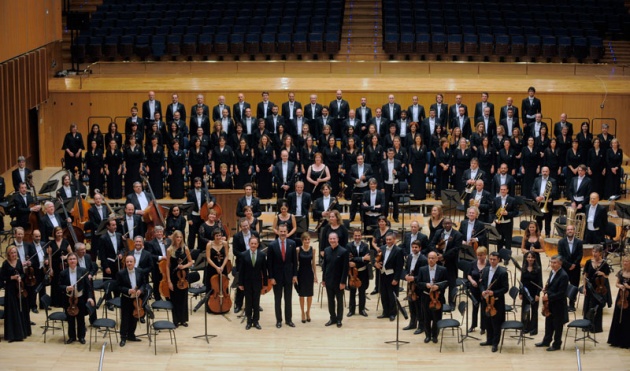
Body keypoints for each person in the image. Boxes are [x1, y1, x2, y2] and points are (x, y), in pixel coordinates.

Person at [59, 252, 95, 344]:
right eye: (70, 259)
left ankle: (81, 337)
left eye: (74, 259)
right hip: (69, 299)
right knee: (70, 319)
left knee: (80, 319)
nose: (72, 261)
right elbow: (59, 286)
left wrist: (90, 297)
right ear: (67, 261)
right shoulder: (63, 273)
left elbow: (88, 286)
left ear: (77, 260)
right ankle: (72, 337)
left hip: (80, 298)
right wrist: (66, 288)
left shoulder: (83, 271)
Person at [266, 224, 297, 328]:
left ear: (287, 232)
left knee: (288, 299)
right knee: (277, 299)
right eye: (281, 231)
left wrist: (295, 275)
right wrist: (271, 277)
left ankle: (289, 320)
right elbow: (269, 263)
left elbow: (295, 262)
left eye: (284, 231)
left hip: (288, 276)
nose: (283, 233)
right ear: (278, 232)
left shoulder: (292, 243)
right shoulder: (272, 245)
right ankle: (279, 320)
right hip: (277, 277)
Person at [536, 255, 569, 351]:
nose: (552, 265)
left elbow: (561, 293)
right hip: (550, 303)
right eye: (551, 262)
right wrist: (546, 289)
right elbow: (550, 284)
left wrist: (548, 296)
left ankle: (557, 344)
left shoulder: (563, 275)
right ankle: (546, 341)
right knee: (548, 322)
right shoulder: (552, 272)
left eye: (555, 263)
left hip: (558, 304)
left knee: (557, 325)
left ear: (560, 263)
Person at [479, 251, 509, 352]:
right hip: (486, 301)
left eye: (494, 259)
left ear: (499, 260)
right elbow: (482, 283)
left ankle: (495, 343)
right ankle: (489, 340)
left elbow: (505, 288)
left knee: (496, 324)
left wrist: (493, 292)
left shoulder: (502, 272)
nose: (492, 261)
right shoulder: (486, 269)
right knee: (487, 321)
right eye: (490, 259)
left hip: (496, 302)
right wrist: (483, 291)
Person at [429, 217, 463, 306]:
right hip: (439, 263)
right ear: (443, 224)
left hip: (451, 262)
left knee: (452, 284)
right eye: (445, 223)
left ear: (452, 224)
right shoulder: (438, 232)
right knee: (440, 282)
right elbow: (432, 244)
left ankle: (452, 303)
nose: (447, 225)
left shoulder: (457, 235)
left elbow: (456, 249)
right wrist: (437, 255)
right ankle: (441, 301)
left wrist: (444, 256)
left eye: (449, 223)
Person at [417, 251, 448, 343]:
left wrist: (438, 286)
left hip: (438, 298)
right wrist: (426, 285)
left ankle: (435, 335)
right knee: (426, 317)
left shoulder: (443, 269)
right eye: (429, 258)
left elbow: (446, 282)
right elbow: (418, 283)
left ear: (437, 259)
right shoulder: (422, 269)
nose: (431, 260)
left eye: (433, 258)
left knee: (436, 317)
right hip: (426, 297)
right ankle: (427, 335)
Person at [1, 245, 31, 342]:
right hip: (10, 290)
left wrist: (20, 277)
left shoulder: (19, 262)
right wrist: (12, 278)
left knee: (21, 309)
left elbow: (22, 273)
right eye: (12, 253)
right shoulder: (5, 264)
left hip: (20, 288)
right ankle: (13, 334)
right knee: (12, 311)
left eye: (15, 253)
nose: (14, 254)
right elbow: (2, 278)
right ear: (8, 254)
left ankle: (23, 332)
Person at [238, 235, 267, 330]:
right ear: (249, 244)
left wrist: (265, 284)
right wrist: (240, 283)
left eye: (255, 243)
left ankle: (256, 321)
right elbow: (241, 270)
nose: (253, 245)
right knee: (248, 302)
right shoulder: (244, 255)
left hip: (258, 282)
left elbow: (264, 271)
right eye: (252, 243)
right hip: (247, 282)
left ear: (258, 244)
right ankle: (249, 322)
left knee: (256, 302)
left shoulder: (262, 255)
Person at [116, 255, 146, 347]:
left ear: (134, 262)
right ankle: (123, 337)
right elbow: (118, 287)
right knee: (125, 318)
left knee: (134, 318)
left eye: (131, 261)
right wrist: (128, 290)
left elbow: (144, 284)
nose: (129, 263)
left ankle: (131, 335)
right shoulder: (121, 273)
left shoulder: (140, 271)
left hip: (136, 299)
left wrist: (140, 290)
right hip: (126, 298)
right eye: (127, 262)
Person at [232, 218, 260, 313]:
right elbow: (235, 251)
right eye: (243, 226)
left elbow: (259, 247)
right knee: (241, 284)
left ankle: (255, 304)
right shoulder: (236, 236)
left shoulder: (255, 234)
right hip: (242, 263)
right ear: (240, 227)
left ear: (249, 225)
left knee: (255, 284)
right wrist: (245, 256)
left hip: (254, 262)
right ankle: (238, 304)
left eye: (246, 225)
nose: (245, 227)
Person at [165, 230, 192, 327]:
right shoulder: (169, 250)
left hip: (183, 276)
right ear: (174, 238)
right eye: (177, 237)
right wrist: (169, 281)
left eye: (180, 237)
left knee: (183, 298)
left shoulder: (185, 248)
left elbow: (190, 262)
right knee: (175, 299)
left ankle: (183, 319)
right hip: (173, 277)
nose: (179, 239)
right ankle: (175, 320)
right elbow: (167, 266)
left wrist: (183, 267)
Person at [322, 232, 349, 328]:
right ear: (328, 240)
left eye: (334, 239)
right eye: (330, 239)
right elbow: (324, 266)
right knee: (330, 301)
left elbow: (345, 269)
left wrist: (343, 282)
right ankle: (332, 318)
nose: (332, 240)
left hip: (339, 282)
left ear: (337, 239)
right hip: (329, 281)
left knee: (339, 301)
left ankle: (339, 319)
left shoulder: (344, 251)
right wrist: (323, 279)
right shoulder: (326, 250)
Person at [375, 232, 404, 321]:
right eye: (387, 240)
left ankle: (392, 313)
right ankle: (385, 312)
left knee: (391, 295)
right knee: (383, 294)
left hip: (392, 276)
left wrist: (396, 279)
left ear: (394, 240)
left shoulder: (398, 250)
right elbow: (376, 260)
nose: (388, 241)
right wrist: (375, 264)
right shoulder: (382, 248)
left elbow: (399, 267)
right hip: (383, 275)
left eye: (390, 239)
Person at [582, 245, 611, 333]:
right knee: (587, 306)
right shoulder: (588, 262)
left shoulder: (604, 264)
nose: (594, 254)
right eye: (593, 252)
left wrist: (602, 274)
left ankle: (596, 327)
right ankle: (586, 325)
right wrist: (584, 287)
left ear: (600, 253)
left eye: (596, 252)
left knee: (597, 307)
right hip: (589, 287)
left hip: (599, 288)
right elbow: (585, 275)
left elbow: (607, 276)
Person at [403, 240, 428, 334]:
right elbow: (406, 269)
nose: (414, 249)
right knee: (411, 305)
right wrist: (406, 276)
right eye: (413, 247)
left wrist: (414, 278)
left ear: (420, 248)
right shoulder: (409, 257)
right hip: (410, 285)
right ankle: (412, 323)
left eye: (416, 247)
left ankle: (421, 326)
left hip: (418, 286)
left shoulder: (424, 259)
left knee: (419, 307)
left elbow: (424, 276)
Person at [12, 227, 39, 312]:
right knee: (21, 292)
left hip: (28, 272)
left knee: (31, 289)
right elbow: (10, 261)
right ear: (15, 235)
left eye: (22, 234)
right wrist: (20, 263)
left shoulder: (28, 245)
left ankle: (33, 306)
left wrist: (30, 262)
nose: (20, 236)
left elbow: (34, 258)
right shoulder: (11, 247)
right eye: (18, 234)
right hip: (19, 273)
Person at [558, 224, 583, 309]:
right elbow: (560, 255)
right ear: (566, 231)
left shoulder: (579, 242)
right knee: (564, 285)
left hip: (575, 268)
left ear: (574, 231)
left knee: (574, 285)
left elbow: (580, 255)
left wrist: (574, 264)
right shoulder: (561, 242)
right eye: (568, 229)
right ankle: (564, 304)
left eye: (571, 229)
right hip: (565, 267)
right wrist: (568, 265)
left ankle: (572, 304)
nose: (570, 231)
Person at [346, 229, 370, 318]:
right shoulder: (348, 246)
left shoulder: (366, 246)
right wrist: (362, 258)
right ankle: (351, 310)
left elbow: (367, 260)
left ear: (361, 236)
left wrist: (357, 261)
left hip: (363, 272)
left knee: (362, 291)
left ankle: (362, 309)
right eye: (355, 236)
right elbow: (349, 259)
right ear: (353, 236)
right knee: (352, 291)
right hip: (352, 273)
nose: (357, 237)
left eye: (359, 235)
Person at [187, 177, 216, 249]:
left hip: (203, 216)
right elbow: (188, 206)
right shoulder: (190, 193)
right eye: (197, 183)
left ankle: (200, 249)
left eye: (199, 183)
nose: (198, 185)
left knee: (201, 233)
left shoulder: (204, 191)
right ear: (194, 184)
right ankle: (191, 249)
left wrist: (212, 202)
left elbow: (213, 198)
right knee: (192, 234)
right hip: (194, 216)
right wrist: (189, 218)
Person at [608, 256, 630, 348]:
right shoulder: (621, 272)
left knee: (627, 318)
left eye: (627, 261)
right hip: (621, 297)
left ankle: (626, 341)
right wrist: (620, 286)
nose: (625, 263)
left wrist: (628, 287)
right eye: (624, 261)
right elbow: (616, 283)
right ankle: (616, 339)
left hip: (629, 298)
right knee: (618, 317)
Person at [99, 219, 123, 304]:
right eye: (112, 225)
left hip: (117, 263)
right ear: (108, 226)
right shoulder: (103, 238)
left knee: (117, 281)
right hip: (109, 263)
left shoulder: (119, 235)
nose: (115, 227)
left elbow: (122, 248)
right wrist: (106, 267)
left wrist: (121, 253)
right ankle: (108, 301)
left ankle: (116, 300)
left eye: (115, 225)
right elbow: (102, 254)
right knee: (108, 282)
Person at [520, 251, 543, 335]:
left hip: (534, 292)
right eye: (528, 257)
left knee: (534, 311)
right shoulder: (524, 268)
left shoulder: (538, 269)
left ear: (534, 258)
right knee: (525, 310)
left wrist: (538, 294)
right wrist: (520, 292)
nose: (530, 259)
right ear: (526, 258)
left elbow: (540, 282)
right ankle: (525, 327)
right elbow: (521, 281)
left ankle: (533, 329)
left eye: (531, 257)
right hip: (526, 292)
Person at [466, 247, 488, 334]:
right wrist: (472, 281)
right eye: (478, 255)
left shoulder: (489, 264)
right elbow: (468, 274)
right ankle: (473, 325)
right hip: (474, 288)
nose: (479, 257)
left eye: (481, 255)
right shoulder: (473, 263)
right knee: (475, 307)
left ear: (485, 255)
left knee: (483, 308)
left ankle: (483, 327)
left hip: (484, 290)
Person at [532, 167, 558, 237]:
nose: (544, 173)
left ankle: (547, 235)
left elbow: (554, 192)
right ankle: (538, 235)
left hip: (548, 203)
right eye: (543, 171)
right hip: (538, 203)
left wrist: (544, 197)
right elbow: (533, 190)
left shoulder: (553, 181)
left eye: (546, 171)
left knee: (547, 221)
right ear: (541, 172)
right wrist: (536, 197)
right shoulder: (537, 179)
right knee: (538, 220)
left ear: (549, 172)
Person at [204, 229, 230, 298]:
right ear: (214, 236)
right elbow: (208, 258)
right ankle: (211, 306)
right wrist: (216, 267)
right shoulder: (209, 244)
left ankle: (224, 306)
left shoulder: (225, 243)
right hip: (212, 268)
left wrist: (222, 266)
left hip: (222, 267)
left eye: (220, 235)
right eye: (217, 236)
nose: (218, 237)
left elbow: (227, 256)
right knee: (212, 286)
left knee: (224, 285)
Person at [493, 184, 518, 253]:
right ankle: (499, 257)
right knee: (499, 241)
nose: (502, 191)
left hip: (508, 224)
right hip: (498, 223)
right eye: (501, 189)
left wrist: (508, 213)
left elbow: (516, 212)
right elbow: (493, 211)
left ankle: (507, 258)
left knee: (508, 241)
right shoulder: (496, 199)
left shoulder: (512, 200)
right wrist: (495, 219)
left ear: (507, 190)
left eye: (504, 190)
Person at [381, 148, 402, 222]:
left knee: (395, 202)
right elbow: (382, 176)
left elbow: (401, 174)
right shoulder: (383, 163)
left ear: (394, 154)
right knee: (385, 202)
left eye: (392, 153)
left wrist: (396, 173)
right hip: (387, 184)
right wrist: (382, 187)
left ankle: (395, 216)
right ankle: (385, 216)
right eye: (389, 153)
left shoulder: (398, 162)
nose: (390, 155)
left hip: (395, 184)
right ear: (387, 154)